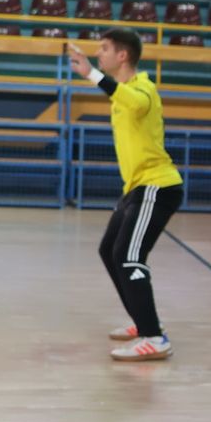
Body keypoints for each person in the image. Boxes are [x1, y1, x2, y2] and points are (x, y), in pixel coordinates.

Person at [66, 29, 183, 361]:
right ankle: (140, 320)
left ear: (123, 56)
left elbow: (134, 101)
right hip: (135, 188)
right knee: (110, 251)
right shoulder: (122, 91)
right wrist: (92, 73)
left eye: (104, 49)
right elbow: (120, 96)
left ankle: (154, 337)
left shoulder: (144, 88)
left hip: (157, 186)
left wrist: (91, 72)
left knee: (130, 257)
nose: (99, 53)